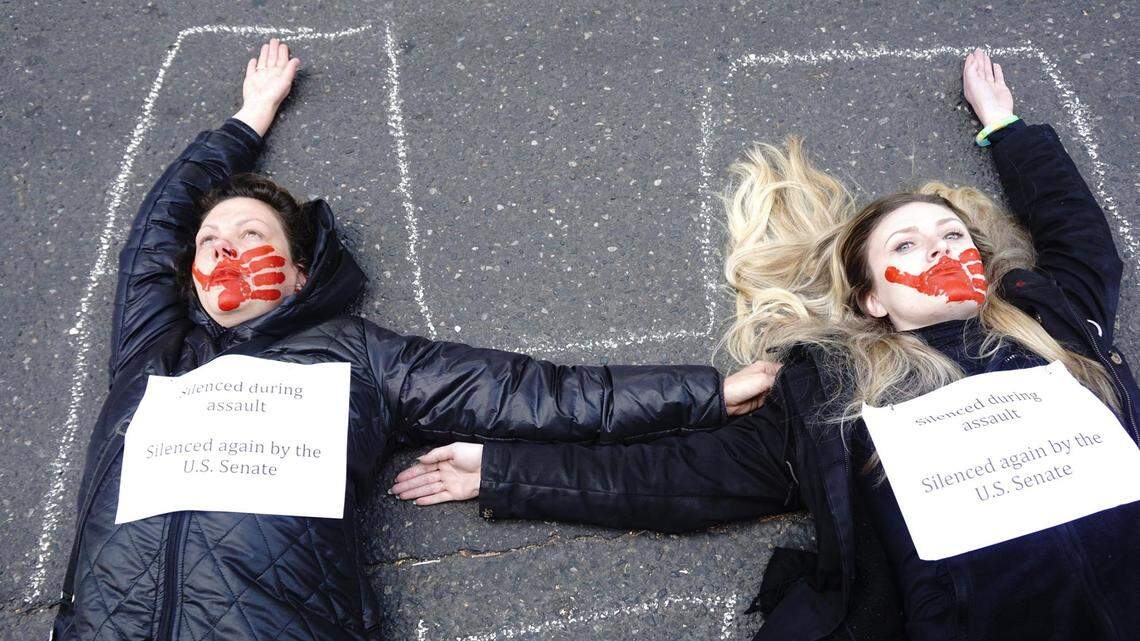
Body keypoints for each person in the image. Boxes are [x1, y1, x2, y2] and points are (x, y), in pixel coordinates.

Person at [392, 49, 1140, 640]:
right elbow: (682, 476)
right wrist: (504, 471)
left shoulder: (1052, 317)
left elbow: (1078, 233)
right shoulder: (840, 394)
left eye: (952, 235)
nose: (941, 249)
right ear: (872, 297)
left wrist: (1005, 129)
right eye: (906, 244)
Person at [49, 39, 780, 641]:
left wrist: (704, 391)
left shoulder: (356, 357)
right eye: (212, 242)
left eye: (253, 236)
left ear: (300, 274)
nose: (227, 252)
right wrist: (248, 121)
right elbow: (158, 231)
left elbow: (530, 394)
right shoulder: (155, 350)